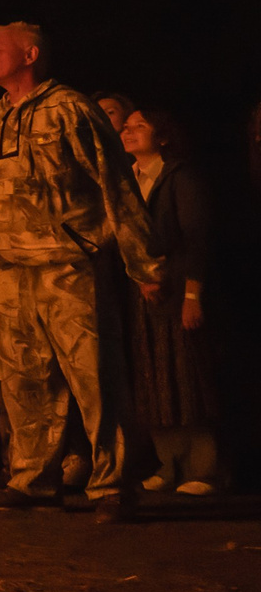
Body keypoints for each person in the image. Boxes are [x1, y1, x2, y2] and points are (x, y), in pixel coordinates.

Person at [0, 23, 163, 518]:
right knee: (25, 383)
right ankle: (33, 478)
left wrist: (143, 261)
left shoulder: (70, 110)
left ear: (30, 55)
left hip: (66, 266)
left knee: (95, 380)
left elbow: (114, 183)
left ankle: (112, 486)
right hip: (13, 270)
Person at [120, 108, 224, 495]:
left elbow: (197, 238)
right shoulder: (127, 183)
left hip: (177, 294)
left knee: (187, 380)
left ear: (162, 136)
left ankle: (204, 468)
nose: (128, 132)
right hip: (144, 300)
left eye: (139, 126)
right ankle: (168, 464)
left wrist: (192, 295)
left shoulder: (180, 178)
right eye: (126, 128)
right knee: (154, 381)